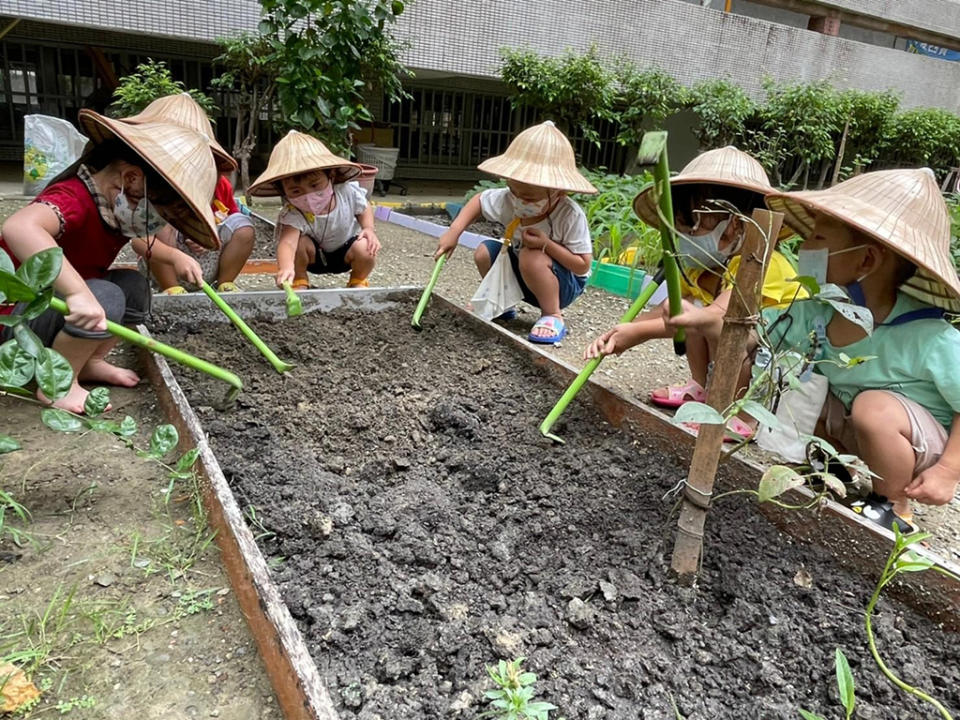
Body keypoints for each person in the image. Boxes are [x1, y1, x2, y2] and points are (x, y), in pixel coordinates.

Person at [665, 168, 960, 531]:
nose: (805, 247)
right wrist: (704, 319)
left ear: (866, 261)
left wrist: (947, 470)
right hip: (859, 428)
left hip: (919, 443)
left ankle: (894, 506)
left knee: (873, 407)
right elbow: (753, 329)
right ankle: (835, 469)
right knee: (807, 382)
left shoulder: (930, 337)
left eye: (818, 237)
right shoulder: (817, 314)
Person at [0, 109, 219, 413]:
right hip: (17, 318)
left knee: (133, 285)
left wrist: (176, 256)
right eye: (157, 211)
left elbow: (140, 242)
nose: (156, 222)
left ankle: (89, 361)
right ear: (131, 179)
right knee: (106, 296)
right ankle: (58, 385)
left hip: (59, 310)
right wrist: (78, 293)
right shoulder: (73, 198)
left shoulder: (113, 207)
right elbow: (19, 228)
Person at [584, 147, 806, 440]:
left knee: (714, 322)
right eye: (678, 227)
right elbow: (674, 308)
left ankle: (742, 415)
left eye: (691, 226)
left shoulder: (761, 264)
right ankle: (702, 388)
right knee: (695, 309)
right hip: (746, 350)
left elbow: (721, 318)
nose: (682, 237)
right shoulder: (704, 266)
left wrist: (642, 333)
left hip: (783, 367)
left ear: (735, 225)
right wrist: (626, 330)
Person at [434, 121, 596, 345]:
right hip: (524, 273)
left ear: (558, 192)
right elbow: (479, 201)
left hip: (562, 285)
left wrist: (546, 244)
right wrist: (454, 232)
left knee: (532, 255)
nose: (519, 200)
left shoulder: (569, 215)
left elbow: (582, 265)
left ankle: (552, 314)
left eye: (529, 197)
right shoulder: (509, 199)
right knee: (484, 251)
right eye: (513, 190)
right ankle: (502, 303)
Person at [124, 93, 255, 293]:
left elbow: (229, 217)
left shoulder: (220, 186)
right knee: (161, 224)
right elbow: (139, 241)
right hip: (164, 263)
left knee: (243, 225)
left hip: (207, 261)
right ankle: (172, 288)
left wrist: (208, 237)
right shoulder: (148, 189)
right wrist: (173, 255)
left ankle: (224, 283)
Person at [248, 130, 379, 290]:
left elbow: (363, 208)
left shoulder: (346, 192)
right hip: (313, 257)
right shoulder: (293, 213)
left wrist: (368, 229)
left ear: (330, 174)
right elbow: (288, 243)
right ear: (282, 190)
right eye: (296, 191)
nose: (308, 195)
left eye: (315, 185)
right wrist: (286, 267)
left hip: (346, 251)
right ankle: (299, 280)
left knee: (366, 246)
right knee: (298, 244)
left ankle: (358, 280)